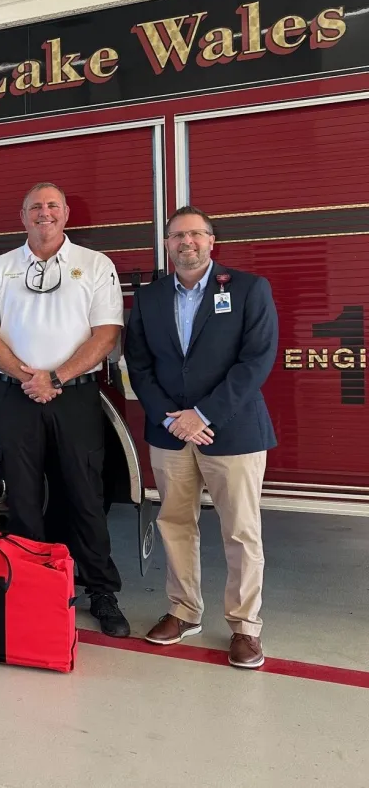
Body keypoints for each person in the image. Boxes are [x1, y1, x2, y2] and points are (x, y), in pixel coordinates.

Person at [0, 183, 130, 637]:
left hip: (75, 396)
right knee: (21, 496)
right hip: (16, 396)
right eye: (35, 207)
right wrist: (28, 377)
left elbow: (106, 335)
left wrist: (55, 377)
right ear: (22, 217)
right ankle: (29, 587)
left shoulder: (95, 265)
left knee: (84, 496)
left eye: (52, 206)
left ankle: (101, 591)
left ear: (66, 215)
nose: (44, 213)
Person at [125, 205, 278, 669]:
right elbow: (140, 365)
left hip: (231, 429)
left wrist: (202, 413)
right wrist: (172, 418)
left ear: (212, 241)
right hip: (170, 432)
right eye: (176, 236)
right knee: (174, 523)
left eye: (195, 234)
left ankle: (245, 627)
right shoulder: (148, 298)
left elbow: (256, 360)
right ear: (167, 245)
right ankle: (183, 610)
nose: (186, 243)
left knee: (241, 531)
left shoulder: (249, 288)